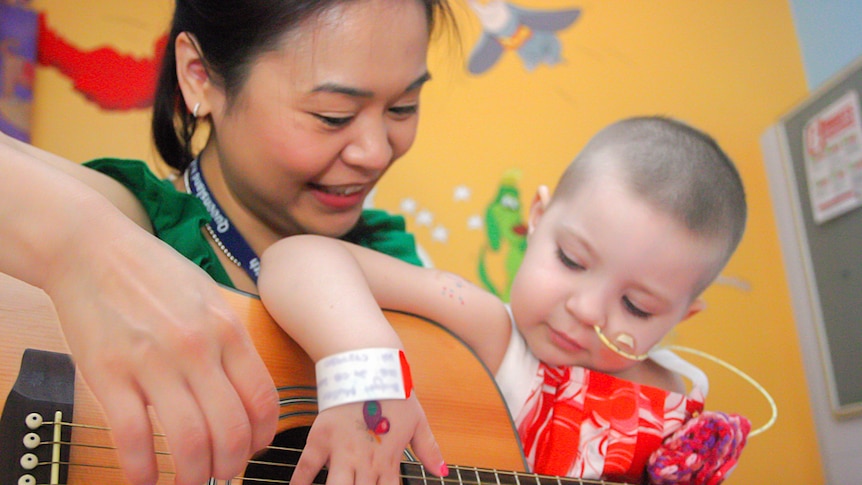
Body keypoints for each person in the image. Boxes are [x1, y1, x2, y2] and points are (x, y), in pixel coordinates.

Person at [0, 0, 456, 483]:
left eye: (403, 107)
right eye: (332, 115)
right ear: (199, 75)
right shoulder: (131, 221)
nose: (376, 152)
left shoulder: (401, 266)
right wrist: (81, 241)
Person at [258, 116, 752, 484]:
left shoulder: (672, 417)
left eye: (638, 307)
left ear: (681, 316)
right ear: (536, 218)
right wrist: (366, 373)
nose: (586, 310)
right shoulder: (488, 328)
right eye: (572, 260)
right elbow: (298, 259)